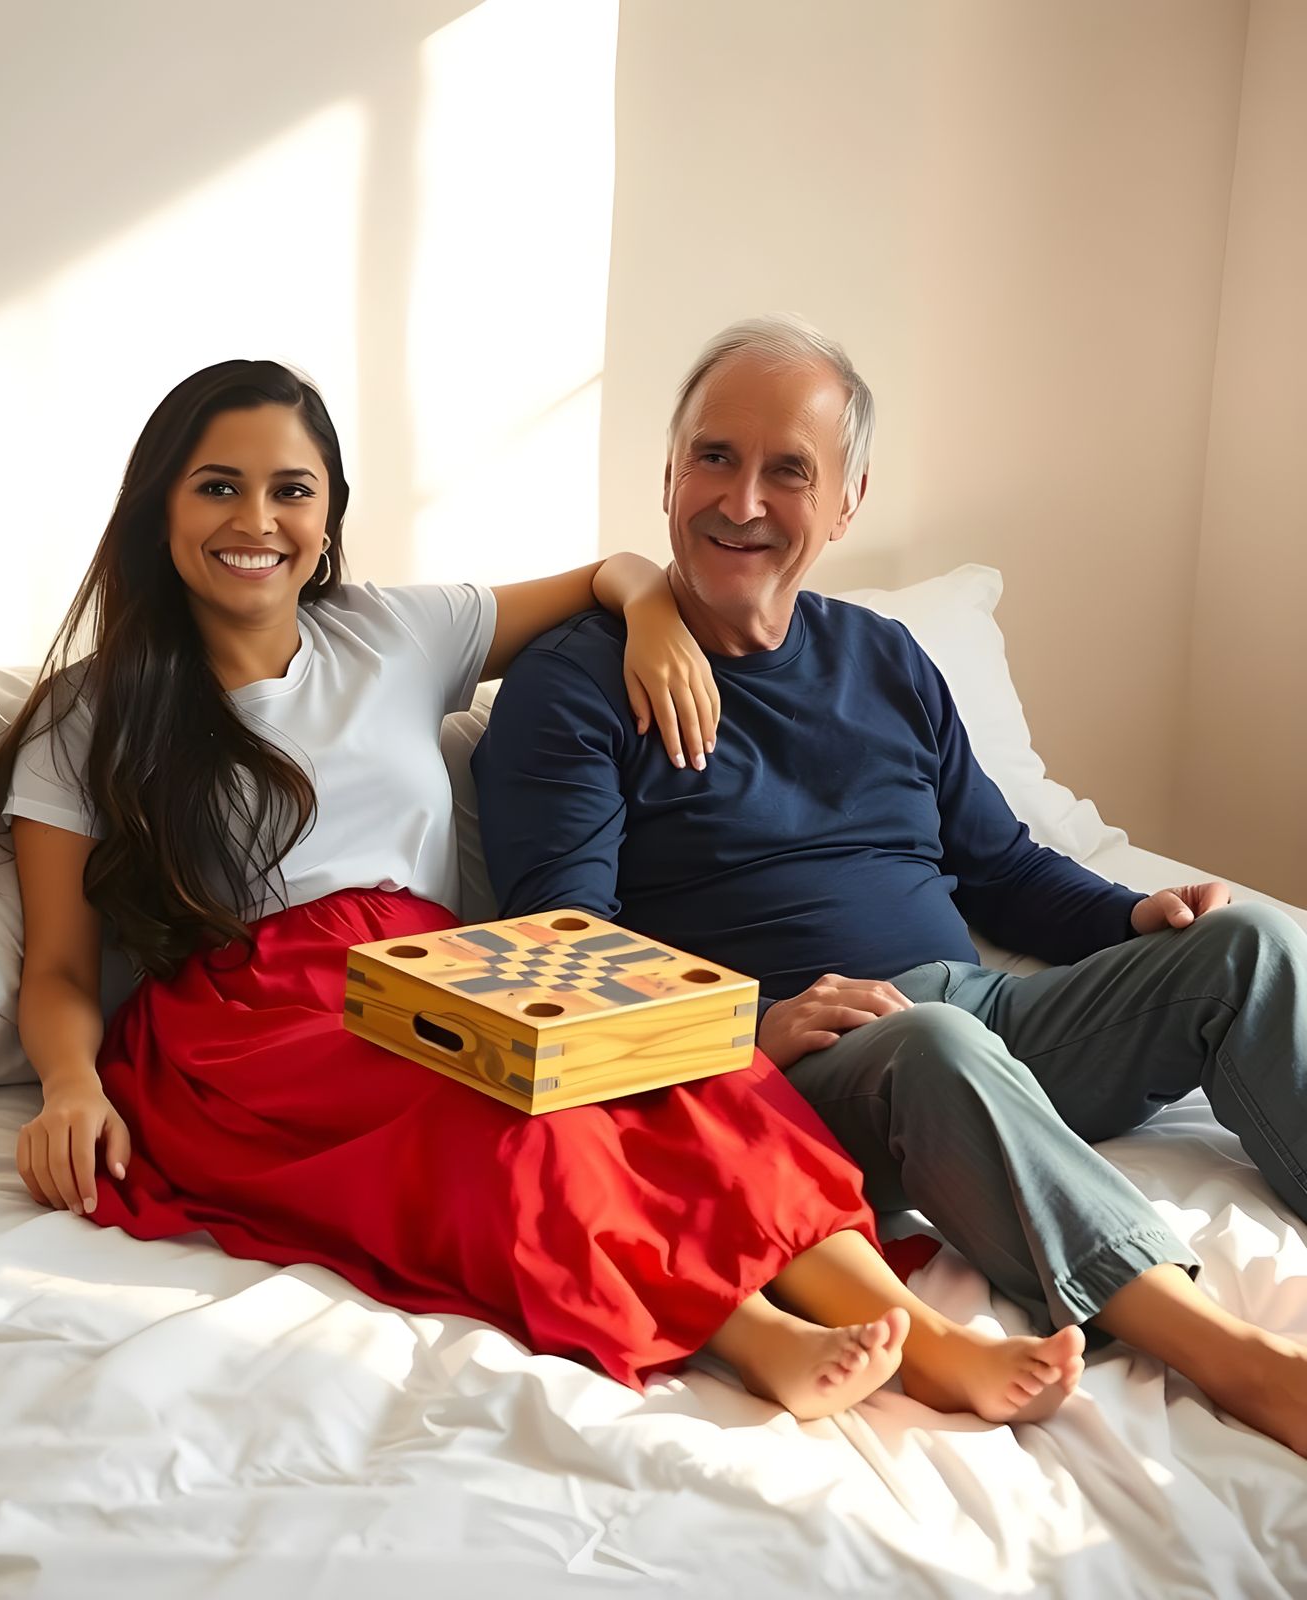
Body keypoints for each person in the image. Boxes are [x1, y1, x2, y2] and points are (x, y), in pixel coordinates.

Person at [0, 357, 1086, 1423]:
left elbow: (615, 571)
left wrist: (651, 621)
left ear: (328, 516)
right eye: (219, 487)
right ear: (159, 508)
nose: (256, 521)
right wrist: (69, 1086)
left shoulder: (393, 630)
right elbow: (59, 964)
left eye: (290, 490)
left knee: (690, 1064)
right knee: (506, 1118)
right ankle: (749, 1334)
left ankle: (923, 1340)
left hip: (434, 963)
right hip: (250, 1017)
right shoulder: (88, 712)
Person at [471, 313, 1307, 1455]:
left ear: (846, 502)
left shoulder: (882, 656)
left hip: (979, 1008)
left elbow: (1000, 866)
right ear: (667, 474)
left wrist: (1128, 915)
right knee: (937, 1046)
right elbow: (563, 954)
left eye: (789, 471)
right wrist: (755, 1026)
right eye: (714, 456)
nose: (743, 500)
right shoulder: (575, 688)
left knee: (1247, 946)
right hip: (796, 1074)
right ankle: (1237, 1359)